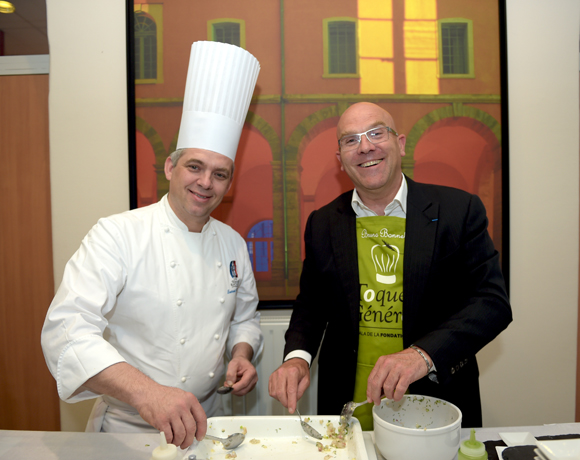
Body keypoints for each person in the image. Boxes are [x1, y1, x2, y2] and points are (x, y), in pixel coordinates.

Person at [41, 41, 263, 449]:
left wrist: (242, 354)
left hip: (209, 423)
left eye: (220, 174)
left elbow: (243, 318)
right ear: (170, 167)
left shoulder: (232, 243)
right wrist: (148, 393)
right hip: (130, 432)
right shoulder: (117, 234)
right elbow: (65, 330)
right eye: (195, 167)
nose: (205, 183)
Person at [268, 102, 512, 430]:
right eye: (350, 140)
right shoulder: (322, 223)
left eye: (375, 133)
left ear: (400, 143)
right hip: (350, 407)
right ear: (340, 160)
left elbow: (492, 303)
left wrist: (422, 355)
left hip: (437, 402)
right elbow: (312, 304)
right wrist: (297, 358)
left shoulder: (458, 210)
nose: (365, 146)